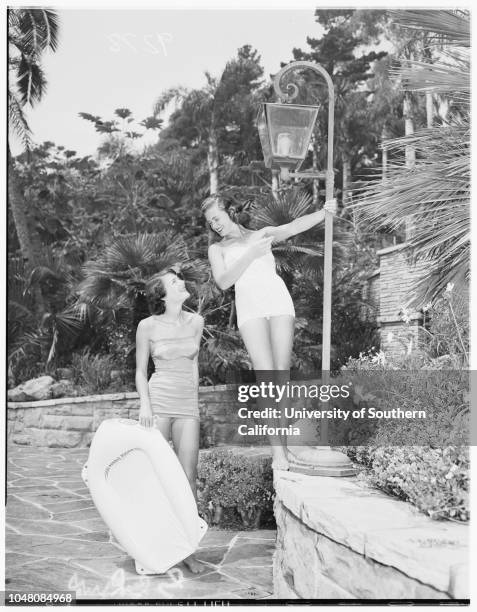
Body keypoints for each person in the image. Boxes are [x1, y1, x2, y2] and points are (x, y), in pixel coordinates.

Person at [202, 194, 337, 470]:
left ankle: (285, 447)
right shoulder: (217, 249)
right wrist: (250, 253)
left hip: (277, 301)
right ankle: (278, 454)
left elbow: (292, 227)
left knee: (281, 375)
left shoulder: (261, 234)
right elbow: (224, 281)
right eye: (210, 222)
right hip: (250, 309)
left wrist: (324, 212)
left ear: (229, 211)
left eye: (216, 217)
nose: (214, 224)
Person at [135, 268, 205, 574]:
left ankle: (189, 548)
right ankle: (151, 545)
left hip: (187, 404)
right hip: (158, 403)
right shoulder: (147, 326)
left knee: (187, 477)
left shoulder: (196, 322)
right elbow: (140, 371)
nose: (182, 283)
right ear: (162, 295)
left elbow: (194, 366)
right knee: (153, 476)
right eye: (174, 282)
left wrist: (195, 401)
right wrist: (145, 406)